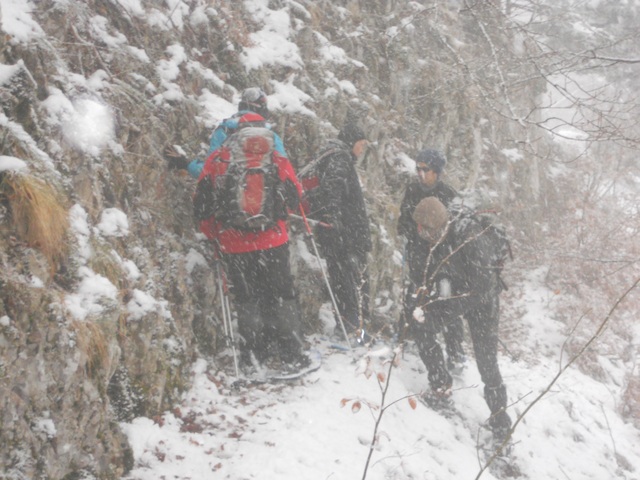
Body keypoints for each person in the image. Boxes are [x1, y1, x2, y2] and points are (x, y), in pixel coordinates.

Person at [195, 125, 309, 373]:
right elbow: (295, 196)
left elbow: (201, 206)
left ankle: (253, 356)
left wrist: (216, 234)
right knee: (280, 293)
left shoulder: (219, 159)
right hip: (273, 241)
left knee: (248, 297)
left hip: (233, 243)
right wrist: (279, 220)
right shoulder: (275, 158)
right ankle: (292, 352)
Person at [411, 196, 512, 442]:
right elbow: (431, 270)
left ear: (437, 226)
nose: (420, 233)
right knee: (422, 326)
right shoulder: (434, 238)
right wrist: (431, 305)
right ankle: (441, 387)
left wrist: (448, 310)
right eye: (419, 229)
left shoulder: (470, 238)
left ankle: (501, 425)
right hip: (455, 288)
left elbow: (483, 288)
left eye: (424, 229)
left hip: (483, 301)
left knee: (487, 364)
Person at [302, 123, 372, 343]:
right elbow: (333, 190)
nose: (361, 150)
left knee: (342, 279)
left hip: (336, 232)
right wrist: (335, 220)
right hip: (344, 233)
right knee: (352, 281)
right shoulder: (340, 159)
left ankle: (345, 326)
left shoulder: (330, 155)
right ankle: (353, 330)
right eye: (361, 145)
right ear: (353, 141)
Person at [397, 149, 466, 369]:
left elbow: (455, 230)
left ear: (436, 171)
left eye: (425, 169)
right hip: (418, 253)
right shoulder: (412, 190)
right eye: (418, 168)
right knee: (414, 293)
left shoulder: (448, 194)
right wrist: (415, 233)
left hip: (442, 257)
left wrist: (441, 243)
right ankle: (406, 335)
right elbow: (404, 220)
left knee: (447, 299)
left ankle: (455, 350)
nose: (420, 173)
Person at [165, 87, 287, 178]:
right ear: (262, 109)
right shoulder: (271, 136)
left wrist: (186, 164)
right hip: (265, 203)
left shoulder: (225, 130)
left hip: (230, 201)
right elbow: (285, 171)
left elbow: (209, 171)